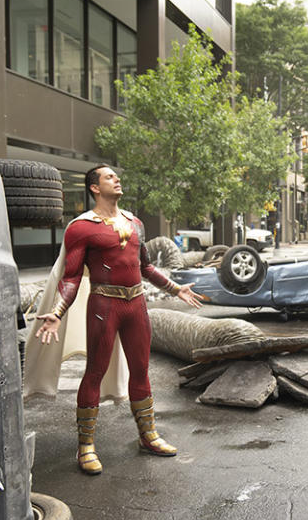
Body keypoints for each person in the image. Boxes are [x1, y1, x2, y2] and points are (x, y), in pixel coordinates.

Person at [35, 164, 204, 475]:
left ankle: (148, 435)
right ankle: (85, 446)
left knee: (141, 371)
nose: (117, 179)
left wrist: (175, 287)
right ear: (94, 188)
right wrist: (57, 313)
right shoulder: (81, 227)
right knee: (95, 371)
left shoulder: (135, 223)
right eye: (109, 176)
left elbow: (146, 268)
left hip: (136, 304)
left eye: (116, 175)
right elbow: (71, 277)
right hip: (103, 305)